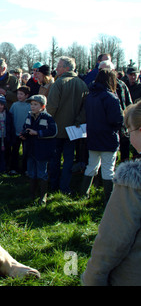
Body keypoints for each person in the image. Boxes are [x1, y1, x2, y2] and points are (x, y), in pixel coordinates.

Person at [81, 101, 141, 286]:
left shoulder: (132, 182)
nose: (128, 136)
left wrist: (92, 278)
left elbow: (113, 240)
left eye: (128, 130)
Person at [79, 69, 123, 204]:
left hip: (93, 136)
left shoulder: (91, 96)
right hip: (108, 137)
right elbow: (116, 120)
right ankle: (109, 200)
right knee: (108, 169)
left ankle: (83, 194)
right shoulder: (111, 97)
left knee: (91, 166)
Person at [47, 56, 89, 194]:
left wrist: (47, 122)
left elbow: (51, 107)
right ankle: (65, 186)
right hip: (74, 130)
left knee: (55, 158)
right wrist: (78, 122)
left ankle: (53, 185)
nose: (56, 69)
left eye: (59, 66)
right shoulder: (82, 84)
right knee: (69, 160)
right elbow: (85, 108)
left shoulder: (59, 83)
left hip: (57, 129)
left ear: (66, 68)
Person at [20, 94, 57, 205]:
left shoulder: (47, 118)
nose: (33, 107)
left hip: (42, 150)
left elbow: (53, 132)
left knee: (42, 173)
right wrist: (24, 134)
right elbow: (25, 127)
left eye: (35, 104)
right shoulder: (29, 116)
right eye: (31, 104)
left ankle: (43, 196)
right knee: (31, 172)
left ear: (43, 106)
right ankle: (32, 194)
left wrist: (38, 133)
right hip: (30, 149)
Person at [99, 60, 133, 162]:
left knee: (124, 149)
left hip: (121, 124)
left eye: (106, 69)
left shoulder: (122, 86)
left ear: (113, 71)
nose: (103, 72)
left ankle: (125, 171)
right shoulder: (96, 87)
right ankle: (103, 175)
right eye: (100, 70)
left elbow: (128, 104)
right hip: (104, 126)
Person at [9, 86, 31, 174]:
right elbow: (11, 116)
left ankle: (25, 168)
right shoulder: (14, 105)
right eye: (18, 94)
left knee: (26, 152)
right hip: (16, 132)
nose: (19, 96)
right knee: (15, 151)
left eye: (21, 94)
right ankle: (13, 168)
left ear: (27, 95)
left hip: (25, 133)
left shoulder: (29, 106)